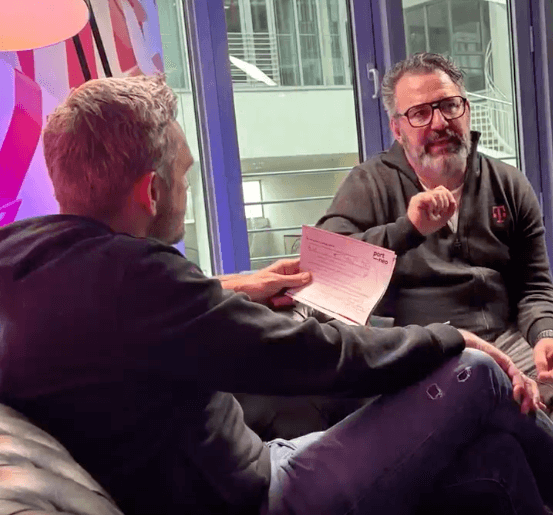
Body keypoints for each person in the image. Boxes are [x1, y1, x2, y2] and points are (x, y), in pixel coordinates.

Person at [0, 74, 553, 515]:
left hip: (246, 466)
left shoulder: (23, 255)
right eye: (186, 176)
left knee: (496, 458)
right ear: (152, 191)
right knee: (475, 374)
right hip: (262, 494)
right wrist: (447, 339)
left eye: (449, 106)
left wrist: (232, 284)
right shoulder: (137, 278)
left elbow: (136, 315)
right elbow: (312, 354)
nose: (438, 122)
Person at [318, 52, 553, 410]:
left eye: (449, 106)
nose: (440, 122)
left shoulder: (508, 183)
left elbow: (533, 286)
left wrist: (544, 334)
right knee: (486, 405)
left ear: (466, 110)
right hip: (426, 351)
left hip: (508, 342)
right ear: (397, 130)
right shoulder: (369, 185)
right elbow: (326, 268)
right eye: (420, 113)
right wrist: (407, 229)